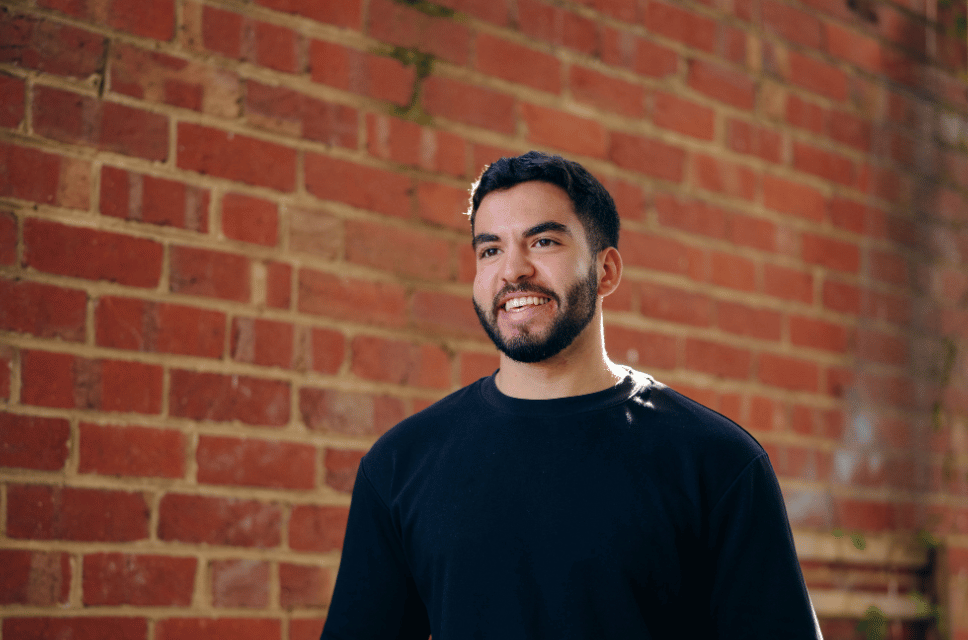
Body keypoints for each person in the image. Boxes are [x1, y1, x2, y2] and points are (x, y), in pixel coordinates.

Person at [320, 151, 823, 639]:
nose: (512, 270)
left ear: (606, 272)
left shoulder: (716, 463)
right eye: (490, 249)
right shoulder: (400, 465)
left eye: (543, 242)